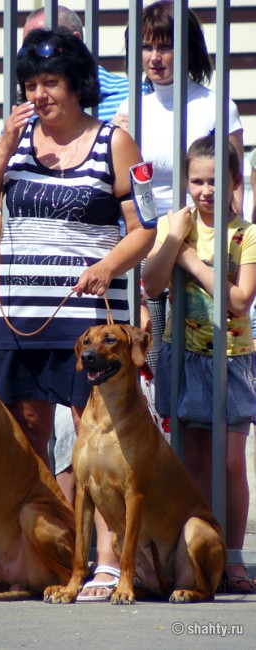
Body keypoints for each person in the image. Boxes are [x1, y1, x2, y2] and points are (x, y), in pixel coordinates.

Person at [0, 28, 156, 601]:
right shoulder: (14, 144)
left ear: (77, 86)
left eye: (50, 83)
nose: (39, 94)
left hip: (86, 316)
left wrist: (107, 265)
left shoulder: (114, 141)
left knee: (97, 439)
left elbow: (145, 228)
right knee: (24, 436)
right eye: (30, 84)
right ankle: (33, 557)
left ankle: (107, 563)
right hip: (19, 314)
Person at [142, 133, 256, 594]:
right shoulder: (175, 224)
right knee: (190, 459)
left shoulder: (246, 234)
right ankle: (194, 552)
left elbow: (239, 300)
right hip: (183, 356)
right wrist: (173, 240)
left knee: (229, 461)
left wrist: (188, 258)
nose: (205, 191)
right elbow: (150, 284)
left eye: (215, 182)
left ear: (234, 182)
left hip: (230, 358)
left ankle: (231, 556)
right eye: (196, 181)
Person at [115, 0, 244, 374]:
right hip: (147, 244)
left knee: (202, 359)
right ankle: (161, 429)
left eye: (165, 46)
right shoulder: (129, 108)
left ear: (187, 49)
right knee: (149, 357)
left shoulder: (216, 106)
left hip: (202, 245)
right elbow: (122, 189)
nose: (154, 57)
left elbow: (232, 187)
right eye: (146, 46)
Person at [23, 5, 128, 123]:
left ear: (76, 41)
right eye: (28, 47)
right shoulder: (28, 111)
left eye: (46, 45)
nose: (35, 54)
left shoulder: (132, 95)